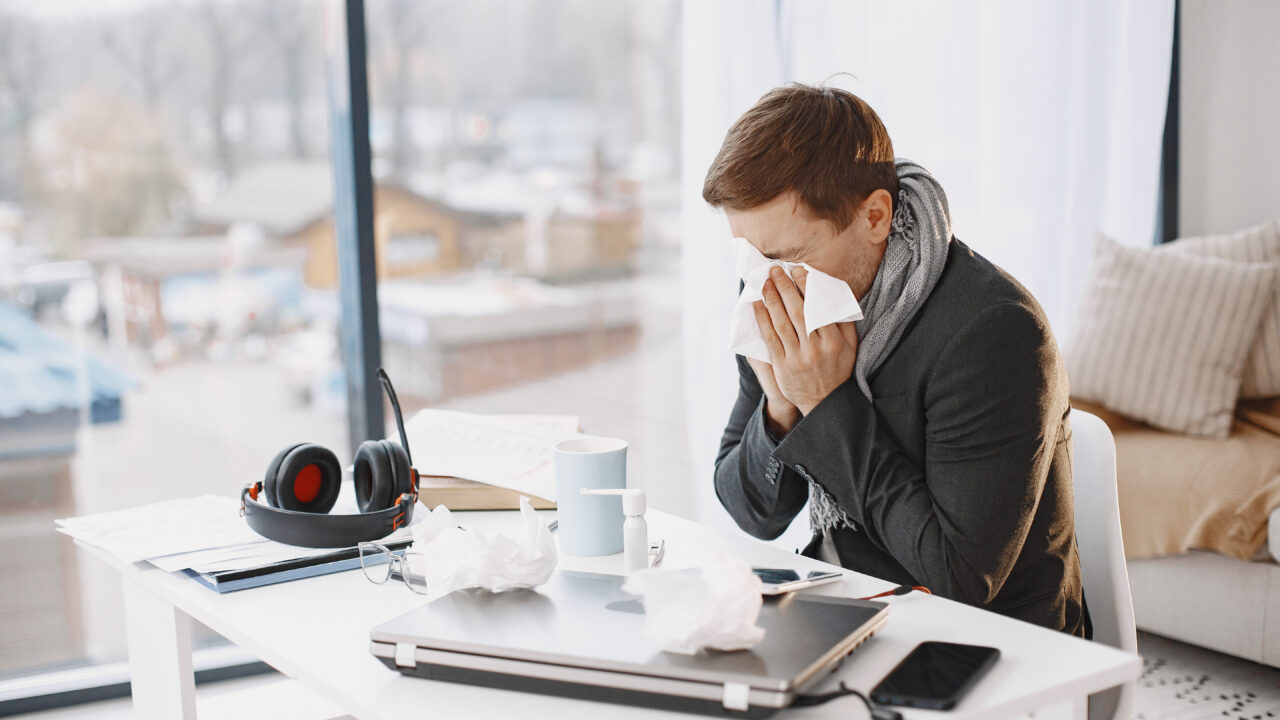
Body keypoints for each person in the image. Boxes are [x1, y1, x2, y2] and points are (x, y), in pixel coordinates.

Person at [706, 83, 1088, 638]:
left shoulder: (995, 331)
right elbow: (754, 514)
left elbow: (961, 579)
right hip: (843, 609)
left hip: (990, 644)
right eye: (750, 255)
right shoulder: (775, 285)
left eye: (786, 256)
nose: (765, 281)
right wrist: (781, 407)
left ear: (876, 217)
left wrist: (826, 404)